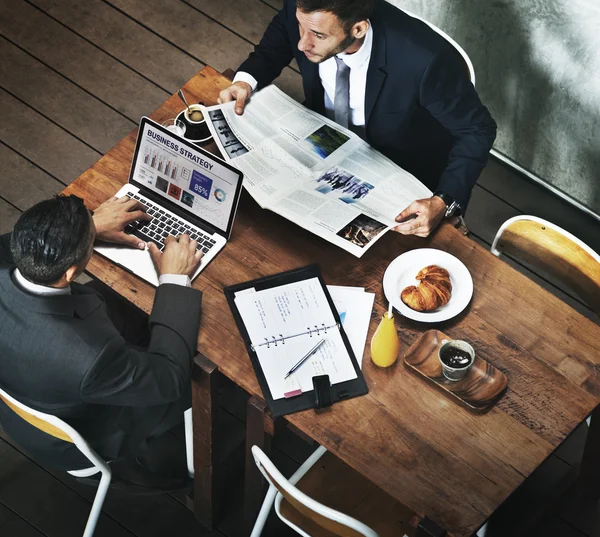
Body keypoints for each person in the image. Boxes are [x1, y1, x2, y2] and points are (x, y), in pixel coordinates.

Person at [218, 0, 497, 237]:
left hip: (399, 168)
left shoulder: (424, 61)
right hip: (320, 140)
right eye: (300, 27)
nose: (303, 43)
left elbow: (478, 130)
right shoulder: (304, 9)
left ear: (358, 28)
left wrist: (443, 201)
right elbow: (280, 35)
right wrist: (245, 81)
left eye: (317, 35)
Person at [0, 194, 203, 490]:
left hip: (20, 402)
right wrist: (174, 280)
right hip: (83, 433)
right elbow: (169, 377)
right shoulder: (88, 358)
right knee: (201, 375)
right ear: (70, 272)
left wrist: (88, 227)